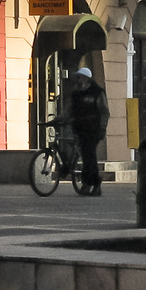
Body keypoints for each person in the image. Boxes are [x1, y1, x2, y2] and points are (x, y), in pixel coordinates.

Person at [60, 66, 109, 196]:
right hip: (79, 128)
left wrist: (102, 127)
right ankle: (88, 184)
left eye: (81, 76)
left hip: (93, 129)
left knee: (89, 156)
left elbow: (104, 112)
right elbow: (69, 109)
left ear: (87, 78)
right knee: (87, 158)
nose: (79, 79)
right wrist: (60, 119)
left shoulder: (97, 92)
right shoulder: (76, 92)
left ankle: (94, 185)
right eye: (78, 76)